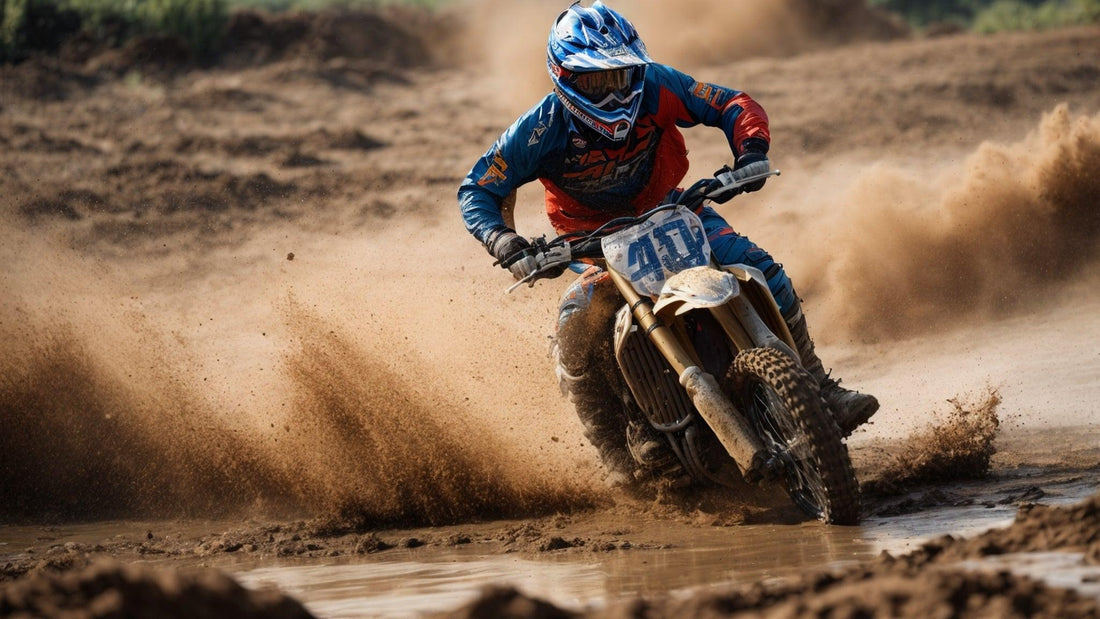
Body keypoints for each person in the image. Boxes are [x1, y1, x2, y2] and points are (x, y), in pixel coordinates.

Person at [457, 1, 878, 483]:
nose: (614, 92)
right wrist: (504, 243)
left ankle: (821, 387)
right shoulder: (539, 128)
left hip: (675, 208)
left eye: (621, 75)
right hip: (593, 242)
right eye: (597, 81)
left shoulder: (658, 84)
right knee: (576, 327)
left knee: (758, 265)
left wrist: (751, 150)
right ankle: (617, 450)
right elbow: (477, 189)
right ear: (565, 77)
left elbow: (731, 103)